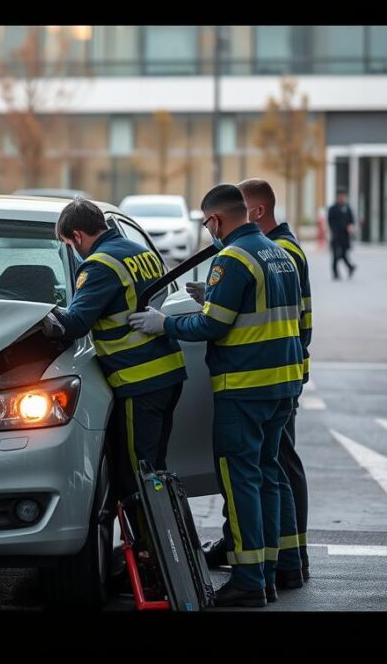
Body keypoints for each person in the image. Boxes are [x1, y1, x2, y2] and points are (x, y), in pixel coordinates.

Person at [129, 184, 304, 607]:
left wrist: (163, 325)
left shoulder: (232, 259)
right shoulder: (277, 251)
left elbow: (212, 328)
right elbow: (264, 309)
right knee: (267, 475)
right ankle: (274, 569)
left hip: (245, 387)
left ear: (216, 220)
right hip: (282, 384)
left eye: (208, 224)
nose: (210, 231)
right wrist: (215, 299)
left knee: (240, 479)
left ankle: (249, 580)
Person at [43, 197, 187, 506]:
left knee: (138, 476)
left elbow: (75, 323)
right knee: (155, 469)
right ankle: (161, 545)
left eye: (69, 244)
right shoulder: (140, 252)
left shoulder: (99, 265)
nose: (73, 250)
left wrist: (35, 313)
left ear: (77, 236)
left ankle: (151, 549)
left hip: (140, 380)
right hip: (168, 371)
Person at [327, 190, 356, 280]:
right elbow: (330, 221)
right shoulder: (333, 208)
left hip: (345, 236)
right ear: (337, 197)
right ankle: (336, 273)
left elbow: (351, 220)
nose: (342, 198)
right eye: (340, 197)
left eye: (343, 197)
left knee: (343, 254)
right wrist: (333, 231)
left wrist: (351, 227)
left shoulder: (348, 208)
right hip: (336, 235)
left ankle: (350, 267)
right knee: (335, 254)